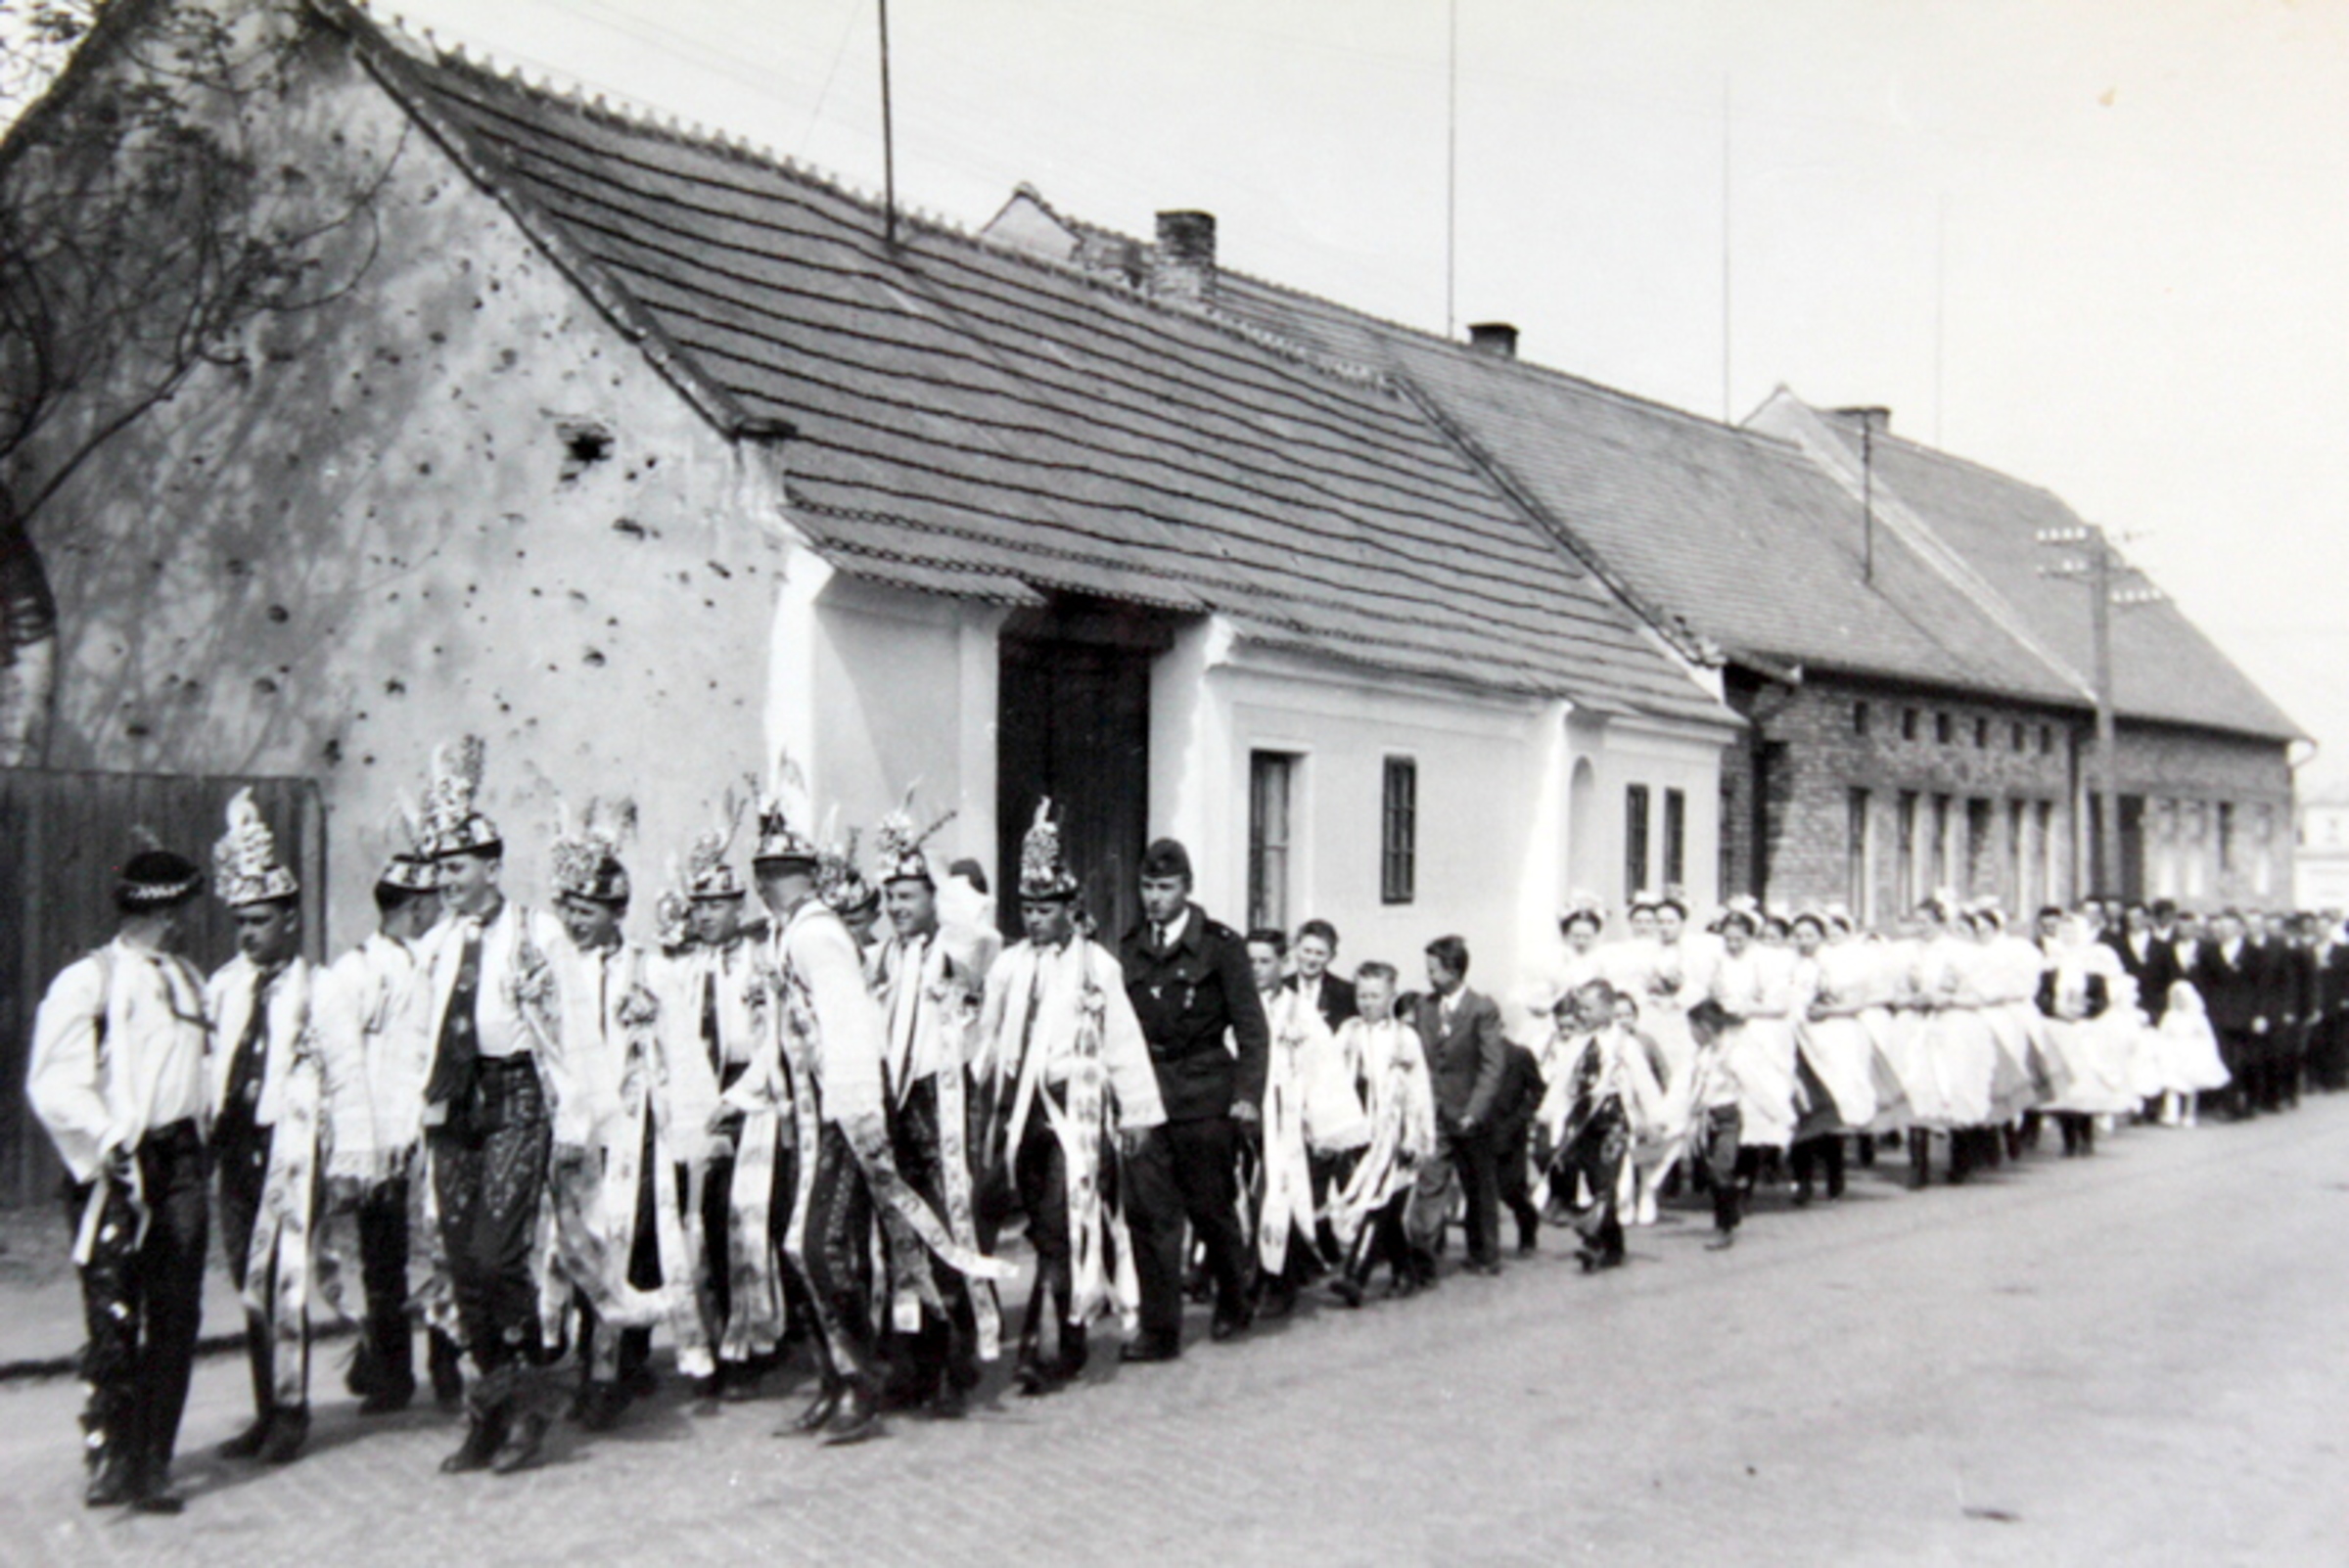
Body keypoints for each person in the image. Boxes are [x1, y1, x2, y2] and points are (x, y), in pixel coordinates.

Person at [417, 736, 616, 1477]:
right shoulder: (436, 946)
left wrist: (578, 1119)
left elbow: (575, 1031)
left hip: (517, 1100)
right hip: (451, 1109)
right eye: (440, 869)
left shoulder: (538, 934)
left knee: (500, 1255)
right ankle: (489, 1413)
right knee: (462, 1265)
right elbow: (416, 1039)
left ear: (492, 869)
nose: (446, 881)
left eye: (458, 868)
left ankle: (532, 1406)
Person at [26, 845, 211, 1513]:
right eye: (178, 909)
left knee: (175, 1312)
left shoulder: (189, 978)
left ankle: (154, 1460)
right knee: (113, 1310)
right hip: (117, 1167)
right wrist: (106, 1137)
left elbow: (202, 1070)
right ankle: (111, 1453)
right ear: (161, 912)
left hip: (181, 1163)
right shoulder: (88, 981)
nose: (184, 921)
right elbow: (54, 1082)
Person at [205, 789, 371, 1469]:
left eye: (260, 920)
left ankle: (291, 1409)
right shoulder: (225, 985)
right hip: (236, 1152)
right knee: (250, 1282)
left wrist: (352, 1159)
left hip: (290, 1152)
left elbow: (348, 1074)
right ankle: (265, 1408)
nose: (248, 934)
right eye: (241, 922)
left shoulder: (321, 989)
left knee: (285, 1281)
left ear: (290, 921)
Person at [975, 800, 1163, 1393]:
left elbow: (1123, 1040)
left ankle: (1047, 1344)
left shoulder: (1096, 968)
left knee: (1064, 1220)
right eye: (1028, 910)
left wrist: (1136, 1113)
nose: (1035, 920)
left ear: (1070, 910)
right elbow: (986, 1038)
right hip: (1021, 1113)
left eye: (1046, 910)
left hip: (1073, 1112)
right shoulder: (1008, 967)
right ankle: (1066, 1329)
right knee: (1041, 1225)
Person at [553, 801, 716, 1432]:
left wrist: (693, 1129)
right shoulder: (557, 970)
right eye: (570, 909)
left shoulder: (649, 970)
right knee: (581, 1244)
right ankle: (595, 1361)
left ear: (617, 912)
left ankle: (614, 1369)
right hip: (577, 1132)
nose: (576, 921)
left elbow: (682, 1049)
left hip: (635, 1131)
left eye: (588, 911)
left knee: (630, 1239)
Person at [868, 792, 995, 1418]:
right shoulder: (882, 957)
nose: (897, 908)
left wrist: (932, 866)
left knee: (949, 1227)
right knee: (902, 1234)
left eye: (908, 897)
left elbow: (978, 924)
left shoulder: (954, 947)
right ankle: (911, 1363)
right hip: (894, 1100)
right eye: (890, 897)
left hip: (941, 1099)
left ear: (932, 900)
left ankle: (954, 1364)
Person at [1119, 838, 1269, 1358]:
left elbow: (1252, 1029)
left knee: (1210, 1208)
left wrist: (1247, 1095)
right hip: (1146, 1096)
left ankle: (1234, 1298)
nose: (1154, 897)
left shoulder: (1220, 947)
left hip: (1205, 1096)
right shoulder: (1131, 946)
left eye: (1165, 887)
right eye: (1147, 886)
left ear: (1187, 887)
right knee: (1150, 1215)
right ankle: (1160, 1331)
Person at [331, 847, 464, 1414]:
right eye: (432, 902)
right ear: (414, 907)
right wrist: (360, 1143)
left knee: (444, 1247)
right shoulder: (356, 971)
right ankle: (389, 1372)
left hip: (438, 1126)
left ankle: (446, 1361)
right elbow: (345, 1065)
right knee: (382, 1259)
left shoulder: (441, 962)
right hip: (385, 1136)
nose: (439, 911)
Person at [668, 796, 793, 1401]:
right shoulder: (684, 970)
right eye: (698, 906)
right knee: (701, 1223)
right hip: (699, 1098)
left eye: (717, 905)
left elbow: (773, 1040)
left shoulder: (759, 963)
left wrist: (740, 1097)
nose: (706, 915)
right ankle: (714, 1338)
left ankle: (755, 1341)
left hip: (753, 1098)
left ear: (737, 905)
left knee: (746, 1219)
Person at [1326, 962, 1435, 1303]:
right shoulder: (1349, 1032)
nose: (1367, 1003)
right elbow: (1331, 1077)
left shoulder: (1404, 1038)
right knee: (1379, 1203)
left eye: (1375, 996)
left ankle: (1355, 1275)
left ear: (1391, 996)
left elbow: (1419, 1089)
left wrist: (1416, 1136)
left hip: (1393, 1133)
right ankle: (1407, 1271)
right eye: (1362, 995)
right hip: (1358, 1132)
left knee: (1378, 1202)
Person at [1405, 935, 1509, 1276]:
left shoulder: (1482, 1009)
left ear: (1453, 970)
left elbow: (1492, 1065)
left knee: (1478, 1188)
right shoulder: (1425, 1007)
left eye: (1433, 970)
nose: (1429, 976)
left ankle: (1484, 1254)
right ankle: (1421, 1256)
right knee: (1430, 1182)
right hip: (1434, 1114)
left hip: (1469, 1115)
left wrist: (1474, 1110)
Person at [1681, 999, 1744, 1249]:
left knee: (1721, 1170)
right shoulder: (1703, 1055)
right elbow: (1696, 1086)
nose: (1691, 1034)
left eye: (1693, 1028)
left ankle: (1723, 1228)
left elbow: (1752, 1082)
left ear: (1705, 1027)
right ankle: (1730, 1210)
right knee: (1712, 1171)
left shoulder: (1732, 1052)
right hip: (1707, 1118)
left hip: (1728, 1117)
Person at [1289, 918, 1357, 1031]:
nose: (1311, 959)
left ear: (1332, 956)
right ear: (1296, 949)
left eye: (1319, 953)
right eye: (1307, 951)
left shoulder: (1347, 993)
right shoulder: (1280, 987)